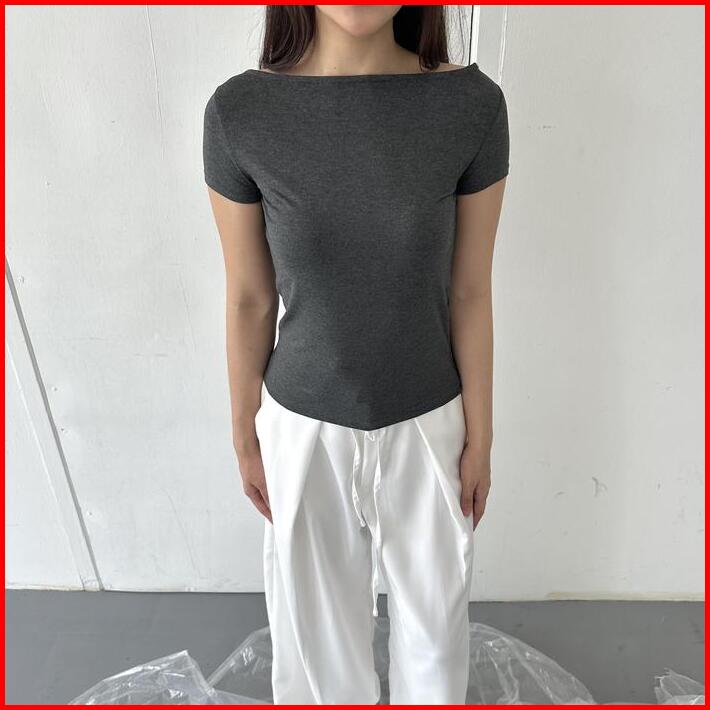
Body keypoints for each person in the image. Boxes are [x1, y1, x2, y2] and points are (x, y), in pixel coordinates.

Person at [203, 5, 509, 704]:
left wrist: (481, 437)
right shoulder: (240, 113)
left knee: (436, 646)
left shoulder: (469, 107)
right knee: (316, 656)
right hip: (302, 426)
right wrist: (245, 434)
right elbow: (249, 296)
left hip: (428, 422)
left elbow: (470, 291)